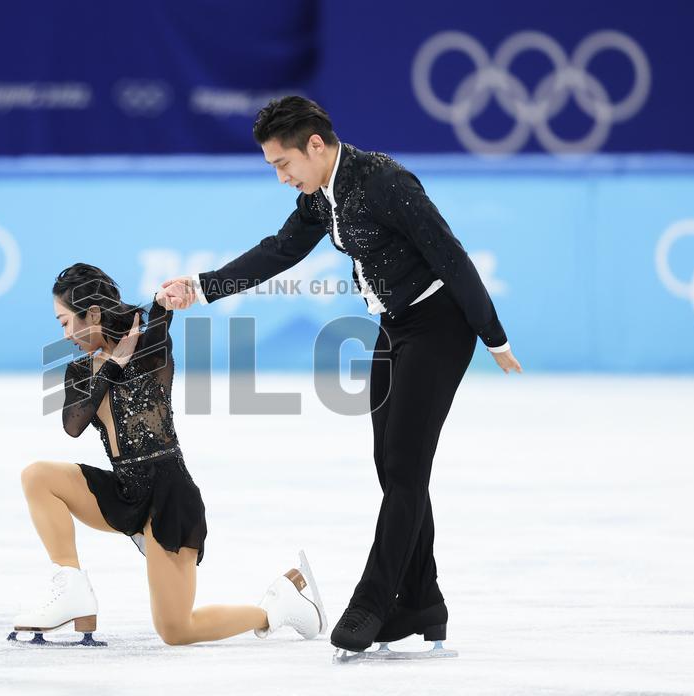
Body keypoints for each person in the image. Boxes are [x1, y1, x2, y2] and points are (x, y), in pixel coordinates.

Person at [159, 96, 523, 655]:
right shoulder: (320, 197)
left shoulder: (383, 181)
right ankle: (423, 603)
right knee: (393, 468)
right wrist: (203, 287)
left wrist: (492, 334)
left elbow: (449, 255)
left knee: (404, 467)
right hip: (393, 327)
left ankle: (374, 603)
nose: (281, 178)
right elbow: (279, 252)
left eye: (283, 164)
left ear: (316, 146)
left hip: (441, 325)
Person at [11, 262, 326, 646]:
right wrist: (113, 365)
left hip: (168, 497)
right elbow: (72, 425)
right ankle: (70, 583)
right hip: (123, 492)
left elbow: (159, 318)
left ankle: (278, 608)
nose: (63, 333)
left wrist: (162, 304)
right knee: (37, 476)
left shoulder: (149, 348)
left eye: (64, 322)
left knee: (176, 630)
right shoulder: (81, 371)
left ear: (91, 314)